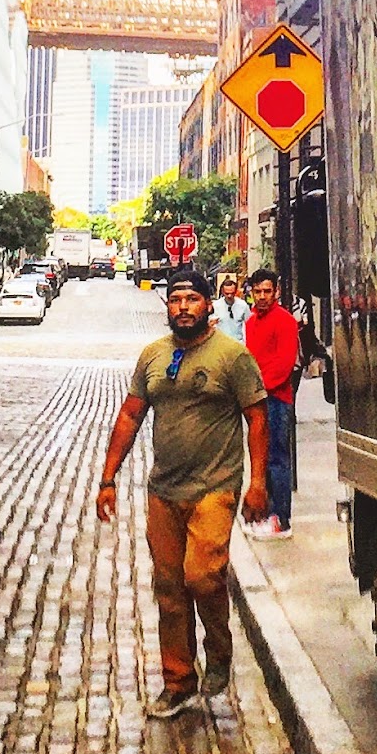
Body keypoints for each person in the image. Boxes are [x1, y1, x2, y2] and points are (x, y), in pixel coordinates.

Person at [97, 268, 271, 716]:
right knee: (170, 590)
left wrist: (258, 483)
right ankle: (178, 681)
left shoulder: (232, 356)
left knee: (203, 577)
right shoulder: (154, 356)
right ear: (168, 306)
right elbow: (130, 415)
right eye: (176, 300)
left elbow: (257, 418)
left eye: (192, 299)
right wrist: (108, 478)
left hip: (215, 487)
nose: (183, 308)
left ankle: (219, 652)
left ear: (208, 305)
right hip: (164, 490)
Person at [242, 269, 301, 538]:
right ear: (252, 293)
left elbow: (284, 364)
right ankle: (264, 513)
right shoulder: (251, 322)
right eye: (258, 291)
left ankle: (281, 519)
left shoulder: (285, 321)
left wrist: (259, 388)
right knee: (261, 458)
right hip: (257, 400)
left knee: (277, 458)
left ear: (276, 291)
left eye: (267, 291)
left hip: (276, 398)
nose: (263, 296)